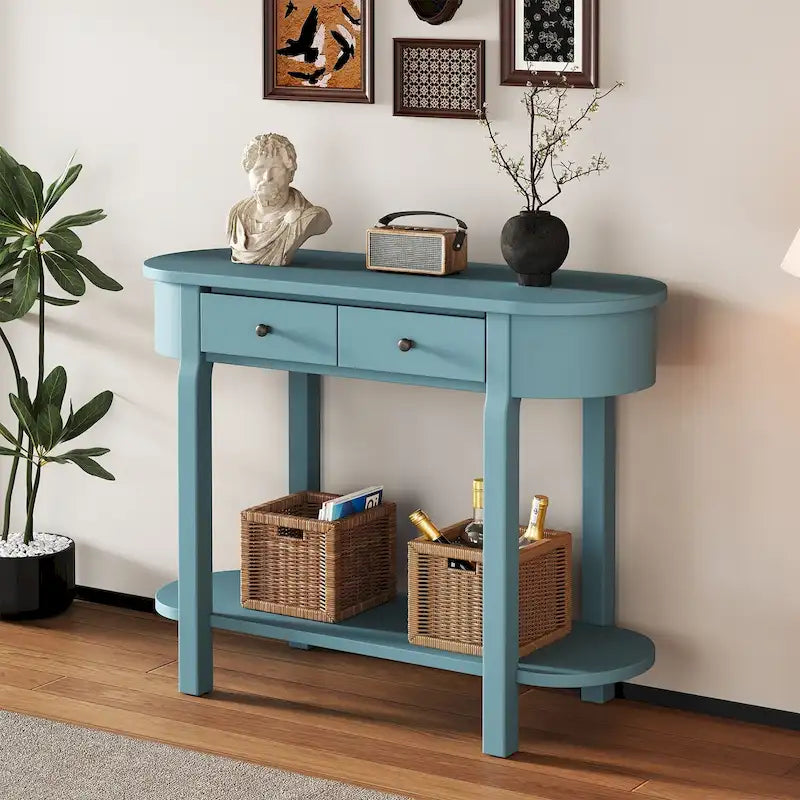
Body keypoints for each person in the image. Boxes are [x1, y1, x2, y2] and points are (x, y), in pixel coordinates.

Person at [227, 134, 332, 266]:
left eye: (275, 169)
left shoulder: (309, 216)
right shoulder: (237, 215)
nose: (267, 177)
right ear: (248, 173)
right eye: (259, 170)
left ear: (291, 174)